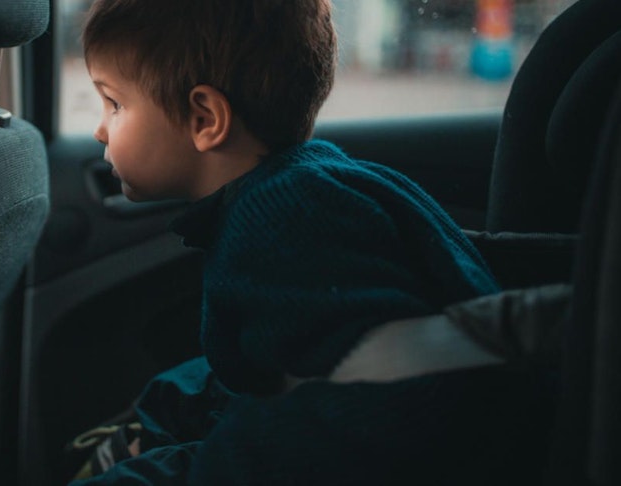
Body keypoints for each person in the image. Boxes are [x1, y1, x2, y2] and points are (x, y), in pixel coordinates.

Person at [68, 0, 556, 484]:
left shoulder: (281, 219)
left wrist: (196, 468)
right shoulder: (314, 181)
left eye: (114, 103)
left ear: (205, 119)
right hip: (378, 420)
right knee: (179, 389)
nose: (99, 128)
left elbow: (381, 402)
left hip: (428, 454)